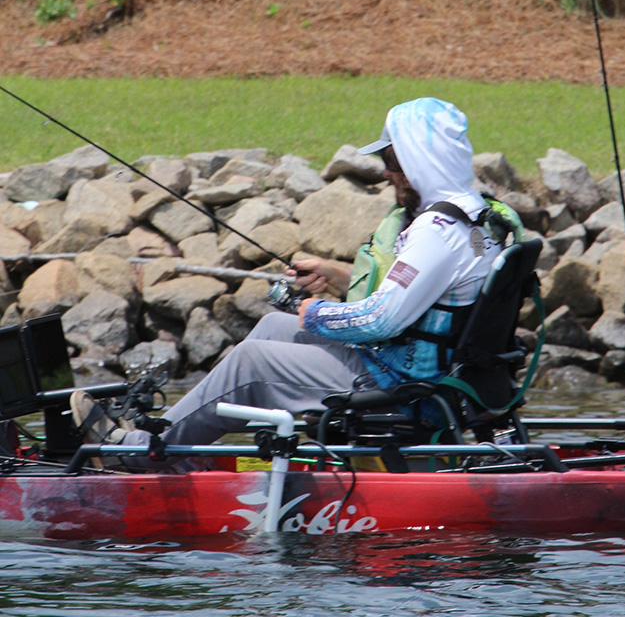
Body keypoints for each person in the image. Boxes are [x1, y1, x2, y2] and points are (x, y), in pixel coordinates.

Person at [70, 97, 523, 466]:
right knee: (272, 328)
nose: (386, 171)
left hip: (403, 390)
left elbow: (380, 321)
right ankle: (183, 446)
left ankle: (139, 456)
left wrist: (316, 311)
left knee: (254, 361)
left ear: (419, 160)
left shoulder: (435, 233)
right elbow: (428, 303)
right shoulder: (476, 214)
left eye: (391, 159)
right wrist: (339, 278)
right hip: (419, 372)